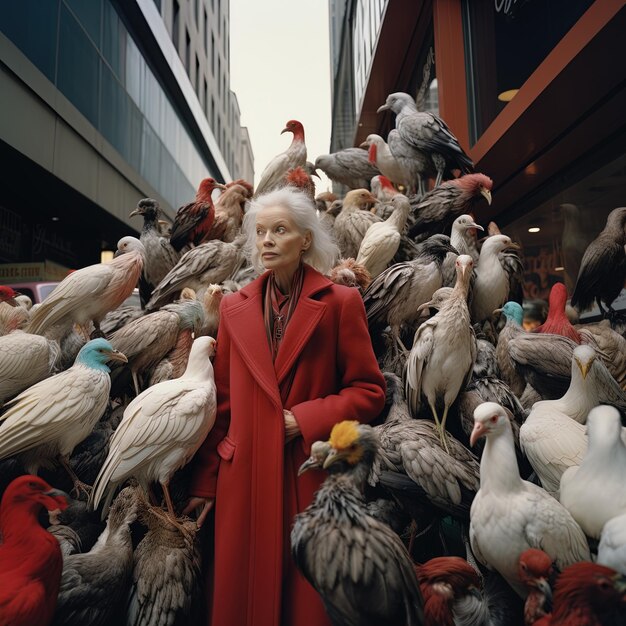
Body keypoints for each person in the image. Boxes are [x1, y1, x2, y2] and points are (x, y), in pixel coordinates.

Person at [185, 187, 386, 626]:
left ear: (306, 239)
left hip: (304, 472)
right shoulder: (235, 309)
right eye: (260, 232)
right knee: (242, 598)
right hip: (243, 477)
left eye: (280, 230)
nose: (267, 241)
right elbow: (220, 405)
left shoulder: (340, 304)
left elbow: (369, 391)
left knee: (305, 600)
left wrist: (306, 419)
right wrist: (206, 482)